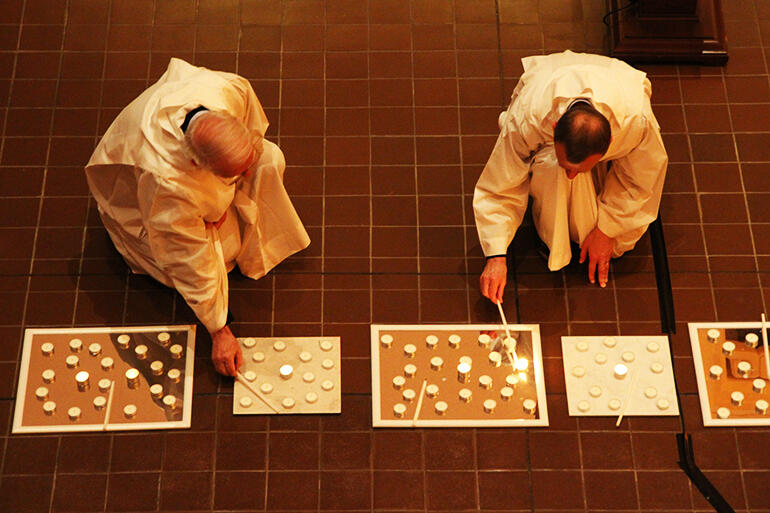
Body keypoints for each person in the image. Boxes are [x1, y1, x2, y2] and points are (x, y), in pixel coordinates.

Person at [86, 58, 310, 376]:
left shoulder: (224, 90)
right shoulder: (167, 181)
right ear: (198, 164)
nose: (246, 175)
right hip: (142, 204)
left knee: (269, 159)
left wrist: (234, 179)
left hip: (198, 173)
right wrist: (219, 329)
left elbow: (252, 127)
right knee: (222, 253)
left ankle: (252, 237)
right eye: (234, 175)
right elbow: (185, 256)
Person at [474, 50, 667, 303]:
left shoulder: (636, 123)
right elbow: (501, 182)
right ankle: (553, 229)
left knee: (614, 235)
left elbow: (641, 180)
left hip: (618, 81)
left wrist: (606, 231)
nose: (573, 176)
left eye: (581, 168)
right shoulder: (529, 118)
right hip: (546, 84)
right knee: (553, 169)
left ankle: (589, 212)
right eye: (570, 166)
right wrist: (496, 255)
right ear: (554, 128)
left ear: (610, 143)